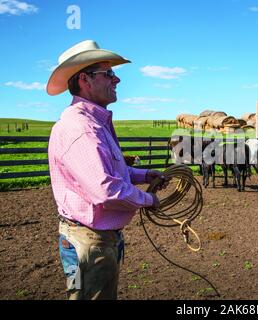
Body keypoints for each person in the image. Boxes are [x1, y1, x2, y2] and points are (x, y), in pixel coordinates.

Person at [46, 40, 167, 300]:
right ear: (84, 80)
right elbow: (106, 189)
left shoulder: (93, 123)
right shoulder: (82, 128)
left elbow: (111, 169)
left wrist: (145, 175)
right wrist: (148, 200)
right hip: (89, 243)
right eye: (108, 73)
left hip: (96, 239)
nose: (117, 79)